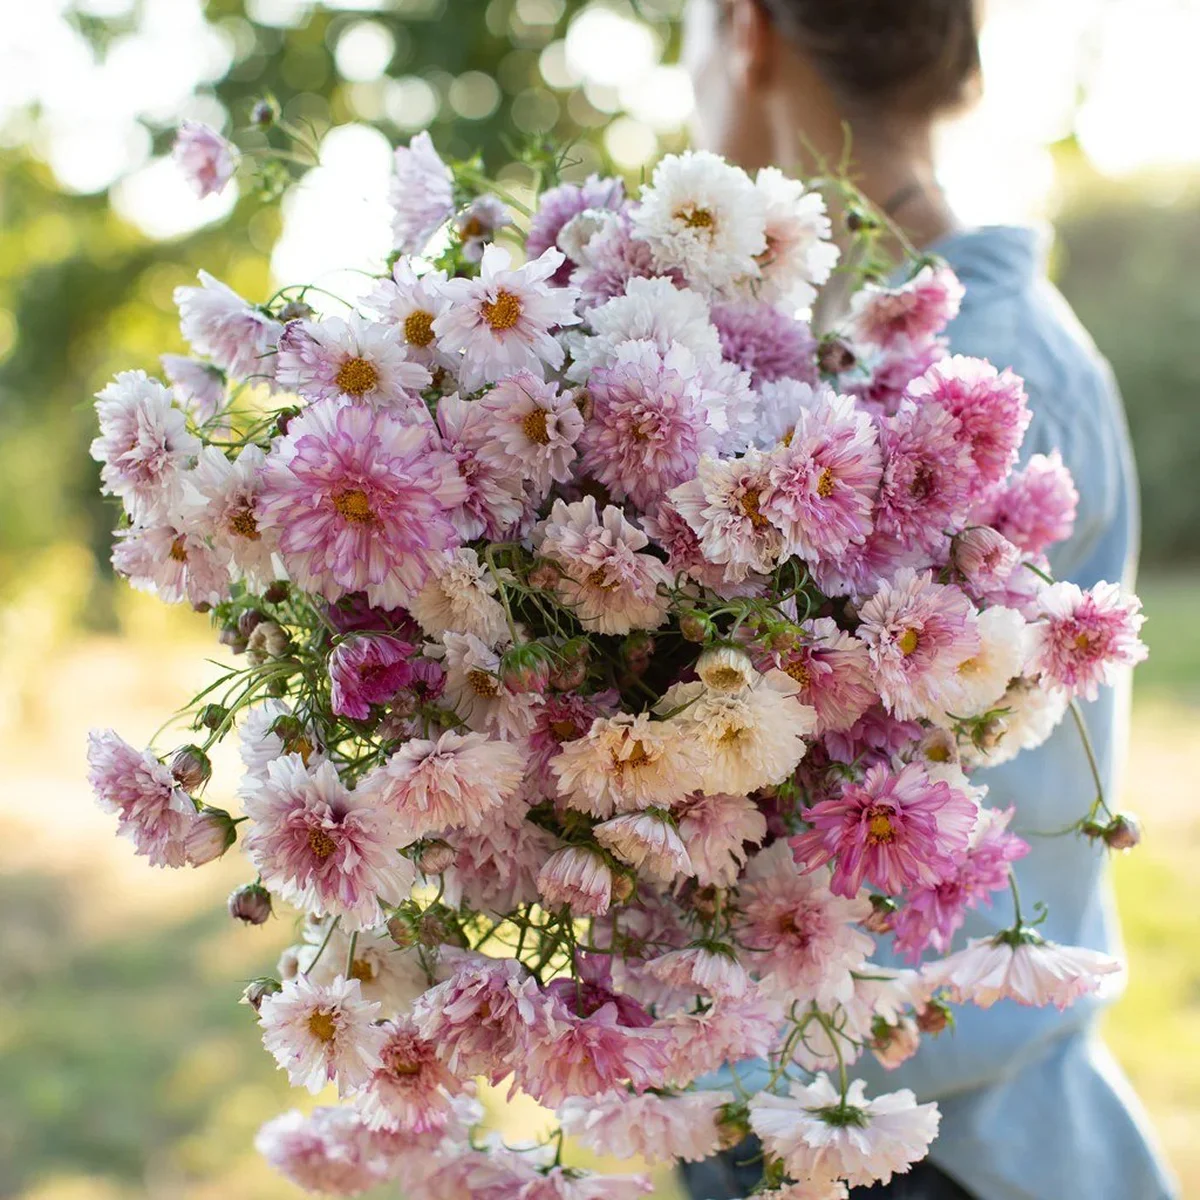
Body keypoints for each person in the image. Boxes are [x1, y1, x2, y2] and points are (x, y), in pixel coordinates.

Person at [676, 3, 1179, 1199]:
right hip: (796, 1092)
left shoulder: (987, 378)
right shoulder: (828, 365)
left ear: (747, 30)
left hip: (931, 1141)